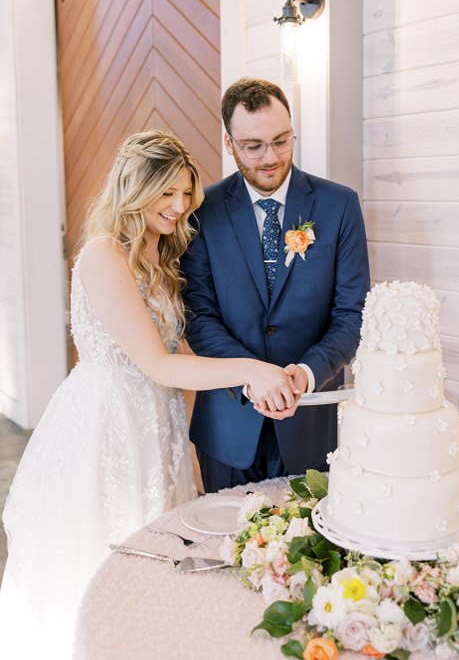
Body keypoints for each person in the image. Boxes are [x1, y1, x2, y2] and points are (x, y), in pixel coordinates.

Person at [0, 130, 298, 660]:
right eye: (168, 194)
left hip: (155, 417)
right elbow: (159, 362)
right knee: (106, 551)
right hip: (108, 419)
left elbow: (183, 342)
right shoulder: (103, 255)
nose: (180, 206)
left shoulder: (166, 250)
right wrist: (253, 369)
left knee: (158, 545)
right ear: (135, 188)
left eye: (187, 194)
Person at [181, 77, 371, 493]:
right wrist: (252, 376)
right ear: (230, 144)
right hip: (228, 425)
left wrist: (305, 373)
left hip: (312, 422)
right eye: (254, 146)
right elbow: (199, 316)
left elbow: (352, 314)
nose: (271, 157)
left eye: (282, 141)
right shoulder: (200, 212)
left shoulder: (339, 206)